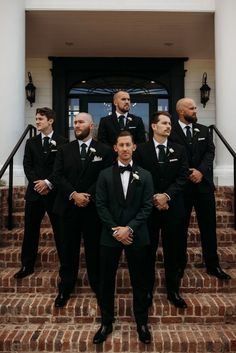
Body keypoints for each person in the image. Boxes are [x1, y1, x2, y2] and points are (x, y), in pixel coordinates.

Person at [93, 131, 153, 345]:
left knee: (140, 281)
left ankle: (142, 323)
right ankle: (106, 322)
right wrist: (116, 230)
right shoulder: (104, 175)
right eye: (121, 145)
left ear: (134, 147)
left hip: (137, 236)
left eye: (129, 144)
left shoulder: (145, 175)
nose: (125, 148)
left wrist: (129, 229)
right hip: (110, 236)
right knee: (106, 281)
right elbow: (100, 204)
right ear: (115, 148)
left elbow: (147, 207)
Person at [53, 112, 114, 308]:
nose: (77, 125)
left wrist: (86, 195)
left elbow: (105, 177)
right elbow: (57, 176)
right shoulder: (64, 150)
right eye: (75, 122)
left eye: (81, 122)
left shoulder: (104, 150)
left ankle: (97, 285)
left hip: (92, 207)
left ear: (92, 125)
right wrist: (74, 195)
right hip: (68, 207)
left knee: (94, 249)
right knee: (67, 248)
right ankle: (66, 286)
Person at [169, 97, 231, 280]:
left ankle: (213, 265)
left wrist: (201, 172)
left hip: (203, 186)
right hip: (182, 187)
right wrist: (189, 172)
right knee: (181, 228)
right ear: (181, 111)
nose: (195, 110)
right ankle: (179, 265)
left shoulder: (204, 130)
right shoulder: (170, 131)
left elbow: (210, 152)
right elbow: (173, 154)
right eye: (192, 108)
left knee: (209, 227)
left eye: (196, 107)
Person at [134, 112, 189, 309]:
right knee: (148, 252)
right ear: (154, 126)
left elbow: (182, 177)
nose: (168, 126)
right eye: (164, 123)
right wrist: (154, 197)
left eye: (170, 124)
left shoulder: (179, 150)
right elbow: (137, 177)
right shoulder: (140, 150)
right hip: (149, 209)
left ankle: (173, 290)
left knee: (173, 251)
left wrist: (166, 196)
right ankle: (147, 290)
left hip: (173, 208)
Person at [14, 107, 68, 279]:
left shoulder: (62, 141)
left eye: (40, 119)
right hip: (35, 193)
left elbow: (60, 167)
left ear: (50, 121)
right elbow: (27, 165)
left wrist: (48, 183)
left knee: (60, 230)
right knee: (30, 230)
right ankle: (27, 265)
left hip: (54, 193)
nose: (37, 121)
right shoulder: (31, 142)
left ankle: (65, 265)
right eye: (36, 119)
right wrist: (38, 184)